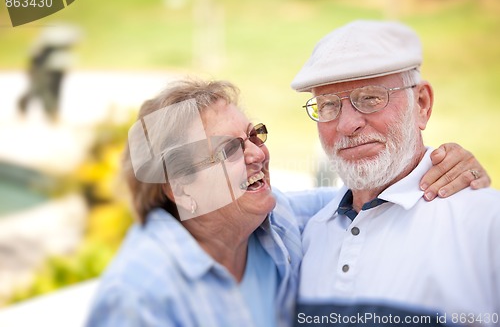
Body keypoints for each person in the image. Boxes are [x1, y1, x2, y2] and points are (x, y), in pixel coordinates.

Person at [85, 78, 489, 327]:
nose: (258, 154)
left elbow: (377, 196)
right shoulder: (138, 295)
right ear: (181, 188)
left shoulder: (281, 220)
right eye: (228, 149)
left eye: (255, 135)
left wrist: (443, 166)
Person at [292, 20, 500, 325]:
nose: (347, 125)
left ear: (422, 104)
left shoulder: (486, 223)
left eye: (370, 98)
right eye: (327, 105)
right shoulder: (310, 232)